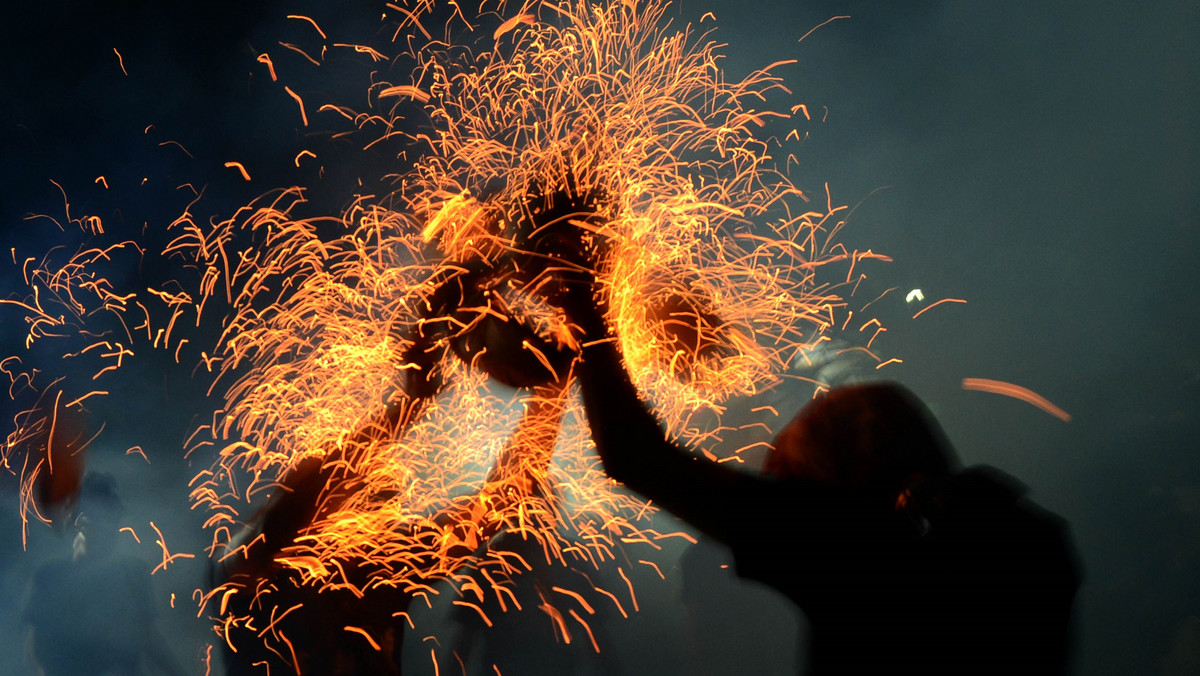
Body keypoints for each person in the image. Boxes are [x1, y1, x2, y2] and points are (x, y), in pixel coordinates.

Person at [542, 270, 1081, 674]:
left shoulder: (848, 549)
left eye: (789, 473)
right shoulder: (1017, 541)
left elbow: (637, 458)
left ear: (842, 476)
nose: (771, 470)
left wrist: (582, 297)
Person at [23, 472, 187, 676]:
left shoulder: (133, 572)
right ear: (78, 521)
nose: (111, 529)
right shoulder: (51, 577)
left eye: (114, 519)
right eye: (101, 520)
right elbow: (38, 642)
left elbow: (149, 637)